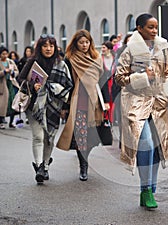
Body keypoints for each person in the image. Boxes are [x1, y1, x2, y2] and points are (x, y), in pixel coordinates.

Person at [115, 13, 168, 210]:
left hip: (158, 101)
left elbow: (166, 73)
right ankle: (146, 189)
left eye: (156, 27)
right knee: (146, 143)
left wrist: (166, 93)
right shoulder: (129, 50)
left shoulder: (161, 47)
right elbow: (119, 78)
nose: (154, 31)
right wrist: (141, 77)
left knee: (157, 147)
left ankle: (151, 187)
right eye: (150, 27)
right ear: (139, 28)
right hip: (136, 101)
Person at [17, 34, 73, 184]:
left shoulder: (61, 64)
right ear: (40, 48)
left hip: (54, 107)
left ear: (55, 47)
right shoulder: (33, 61)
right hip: (34, 105)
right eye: (45, 46)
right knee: (38, 136)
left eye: (51, 46)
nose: (48, 49)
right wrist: (31, 85)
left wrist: (65, 107)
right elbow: (20, 79)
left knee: (49, 138)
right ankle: (39, 166)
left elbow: (68, 86)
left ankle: (46, 166)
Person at [56, 29, 106, 182]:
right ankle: (83, 166)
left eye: (87, 42)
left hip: (94, 101)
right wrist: (65, 106)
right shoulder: (70, 59)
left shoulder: (96, 58)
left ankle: (85, 158)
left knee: (92, 137)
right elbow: (66, 83)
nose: (85, 45)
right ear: (75, 44)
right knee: (80, 137)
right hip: (78, 101)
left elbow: (101, 81)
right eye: (81, 42)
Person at [0, 47, 19, 129]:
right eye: (3, 54)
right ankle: (1, 121)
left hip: (11, 83)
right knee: (2, 105)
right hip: (2, 85)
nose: (5, 55)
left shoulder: (10, 61)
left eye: (6, 54)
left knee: (13, 102)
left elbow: (16, 70)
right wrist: (4, 72)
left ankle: (12, 121)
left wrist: (13, 73)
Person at [100, 41, 117, 123]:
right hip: (104, 83)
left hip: (113, 83)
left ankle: (112, 118)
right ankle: (106, 117)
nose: (102, 49)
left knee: (112, 101)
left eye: (104, 47)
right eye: (102, 47)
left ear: (109, 49)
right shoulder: (100, 59)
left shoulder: (115, 58)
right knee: (106, 99)